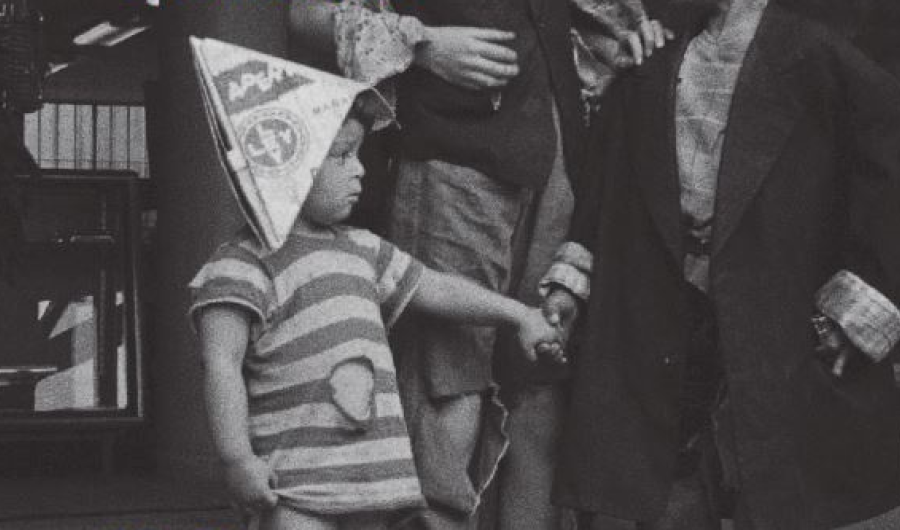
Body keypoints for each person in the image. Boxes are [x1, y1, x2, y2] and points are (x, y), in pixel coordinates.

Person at [288, 2, 668, 529]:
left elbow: (595, 24)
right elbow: (306, 14)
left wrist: (627, 40)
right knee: (449, 394)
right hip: (452, 163)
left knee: (540, 388)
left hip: (558, 168)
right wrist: (420, 46)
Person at [541, 0, 900, 528]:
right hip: (667, 332)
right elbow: (607, 190)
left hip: (780, 326)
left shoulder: (823, 54)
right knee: (671, 498)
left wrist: (859, 304)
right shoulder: (654, 58)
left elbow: (887, 177)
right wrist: (572, 284)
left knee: (777, 494)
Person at [189, 112, 564, 530]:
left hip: (374, 484)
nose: (361, 169)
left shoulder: (363, 249)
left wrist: (518, 314)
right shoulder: (240, 266)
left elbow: (437, 288)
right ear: (282, 167)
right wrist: (237, 459)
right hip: (293, 487)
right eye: (342, 155)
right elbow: (220, 364)